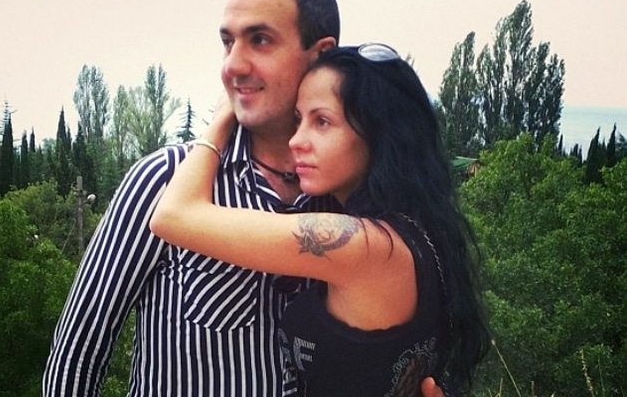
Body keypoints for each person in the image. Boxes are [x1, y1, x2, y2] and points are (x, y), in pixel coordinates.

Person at [42, 0, 448, 396]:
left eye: (260, 40)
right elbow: (78, 356)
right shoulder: (164, 178)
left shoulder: (352, 209)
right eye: (227, 42)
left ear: (320, 53)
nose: (232, 66)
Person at [150, 44, 490, 396]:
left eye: (322, 122)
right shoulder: (415, 236)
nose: (296, 141)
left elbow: (174, 215)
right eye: (298, 120)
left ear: (379, 133)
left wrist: (221, 121)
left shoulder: (362, 245)